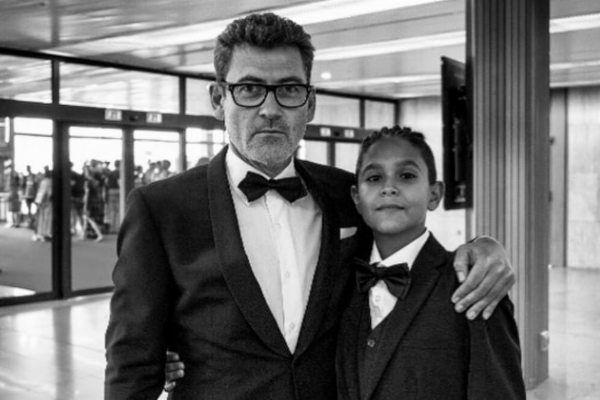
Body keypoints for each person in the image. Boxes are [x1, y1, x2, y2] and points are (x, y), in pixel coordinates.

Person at [105, 13, 515, 399]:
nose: (270, 110)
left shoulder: (344, 193)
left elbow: (405, 239)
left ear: (310, 103)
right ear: (218, 99)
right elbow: (131, 363)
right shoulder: (161, 209)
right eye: (249, 89)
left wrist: (483, 245)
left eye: (288, 89)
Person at [335, 126, 526, 399]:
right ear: (357, 197)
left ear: (434, 195)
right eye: (374, 178)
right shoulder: (341, 280)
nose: (388, 188)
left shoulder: (474, 286)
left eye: (407, 175)